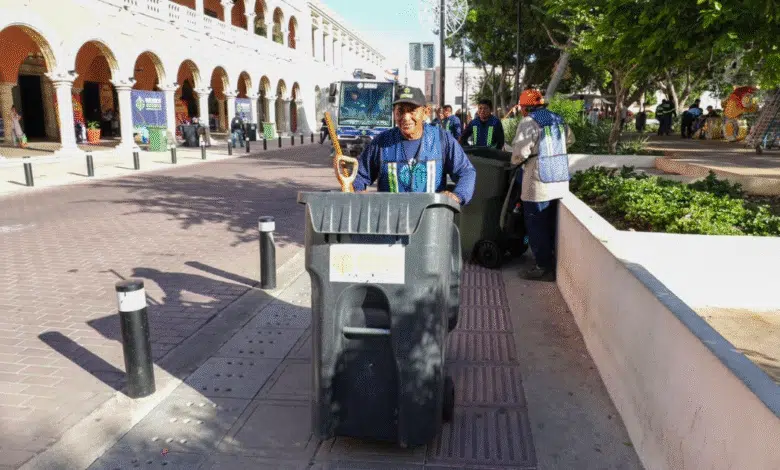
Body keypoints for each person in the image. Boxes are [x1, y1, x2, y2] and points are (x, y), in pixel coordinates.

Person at [353, 85, 476, 206]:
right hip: (390, 220)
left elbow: (466, 172)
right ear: (394, 113)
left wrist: (458, 195)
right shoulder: (381, 143)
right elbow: (359, 175)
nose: (406, 117)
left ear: (425, 112)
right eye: (400, 111)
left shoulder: (442, 139)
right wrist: (358, 192)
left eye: (412, 110)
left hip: (430, 220)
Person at [509, 89, 576, 282]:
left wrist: (515, 162)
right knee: (551, 223)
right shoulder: (557, 119)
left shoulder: (529, 122)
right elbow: (570, 140)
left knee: (536, 223)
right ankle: (549, 262)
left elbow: (520, 152)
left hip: (538, 182)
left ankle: (543, 267)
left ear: (525, 108)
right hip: (559, 179)